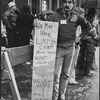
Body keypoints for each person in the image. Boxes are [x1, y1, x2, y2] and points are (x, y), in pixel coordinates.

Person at [47, 0, 99, 100]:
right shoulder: (54, 16)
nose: (67, 4)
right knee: (56, 74)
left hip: (70, 48)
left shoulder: (77, 17)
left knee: (66, 73)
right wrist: (37, 23)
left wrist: (80, 37)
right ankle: (55, 95)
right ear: (62, 3)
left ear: (73, 4)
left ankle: (62, 93)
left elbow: (87, 26)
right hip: (58, 48)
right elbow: (44, 26)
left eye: (70, 2)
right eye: (65, 2)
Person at [69, 7, 85, 84]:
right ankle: (70, 78)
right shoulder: (76, 22)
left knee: (73, 62)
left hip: (75, 44)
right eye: (82, 15)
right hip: (74, 44)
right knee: (72, 62)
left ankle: (71, 78)